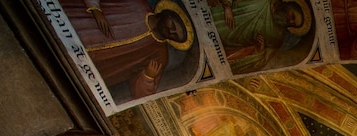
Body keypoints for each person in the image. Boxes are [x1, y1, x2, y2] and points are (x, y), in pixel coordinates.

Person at [66, 0, 196, 99]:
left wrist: (148, 77)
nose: (171, 31)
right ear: (167, 14)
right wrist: (95, 7)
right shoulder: (137, 4)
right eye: (173, 24)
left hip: (83, 66)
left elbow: (141, 95)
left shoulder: (159, 55)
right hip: (75, 26)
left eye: (176, 35)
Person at [210, 0, 311, 74]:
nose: (290, 21)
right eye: (292, 16)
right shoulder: (265, 2)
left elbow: (261, 61)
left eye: (293, 24)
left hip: (223, 44)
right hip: (215, 16)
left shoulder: (276, 38)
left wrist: (260, 50)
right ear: (288, 5)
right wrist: (227, 6)